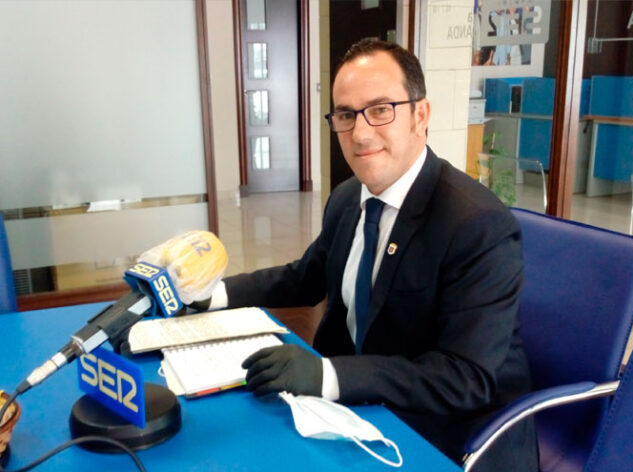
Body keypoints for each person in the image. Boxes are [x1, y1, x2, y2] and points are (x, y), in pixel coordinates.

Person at [202, 39, 538, 470]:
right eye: (346, 115)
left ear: (421, 115)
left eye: (381, 109)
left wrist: (330, 376)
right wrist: (211, 294)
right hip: (363, 407)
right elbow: (306, 275)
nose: (360, 133)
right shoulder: (349, 198)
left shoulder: (476, 224)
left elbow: (464, 378)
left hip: (449, 431)